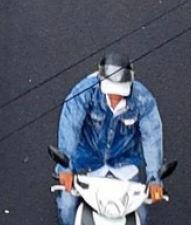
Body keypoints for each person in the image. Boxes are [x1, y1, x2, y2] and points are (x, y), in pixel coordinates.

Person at [54, 53, 164, 225]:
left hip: (124, 162)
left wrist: (154, 178)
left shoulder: (143, 100)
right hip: (86, 160)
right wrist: (65, 167)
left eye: (120, 93)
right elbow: (70, 126)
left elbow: (152, 138)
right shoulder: (84, 92)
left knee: (141, 215)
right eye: (111, 92)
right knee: (67, 207)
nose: (115, 98)